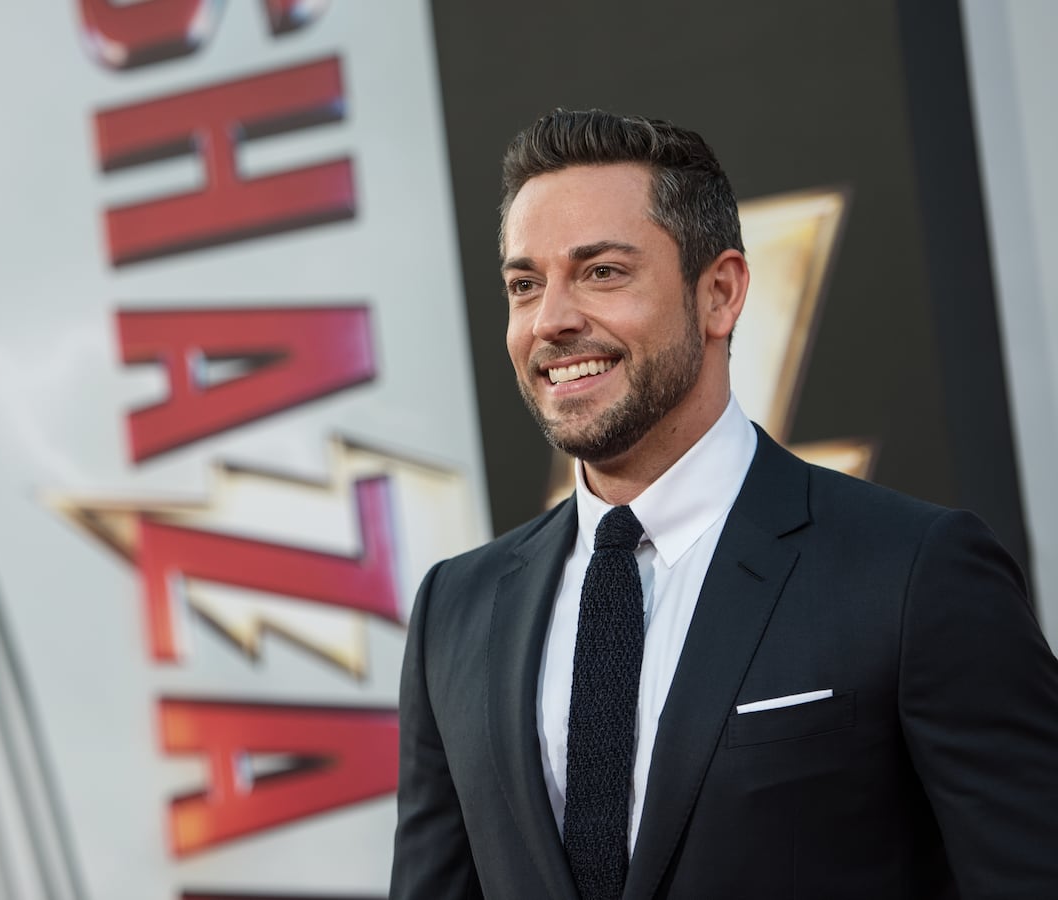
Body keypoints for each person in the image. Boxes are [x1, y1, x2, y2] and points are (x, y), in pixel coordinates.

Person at [390, 108, 1058, 900]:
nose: (552, 320)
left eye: (602, 271)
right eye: (525, 284)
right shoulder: (454, 612)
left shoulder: (914, 573)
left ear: (720, 293)